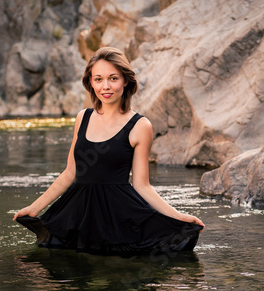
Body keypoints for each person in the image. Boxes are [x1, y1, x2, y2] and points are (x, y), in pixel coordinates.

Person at [13, 47, 204, 256]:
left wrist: (177, 216)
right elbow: (70, 173)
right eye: (98, 79)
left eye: (113, 78)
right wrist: (35, 208)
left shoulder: (140, 126)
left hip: (117, 217)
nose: (105, 86)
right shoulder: (82, 118)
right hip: (77, 213)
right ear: (91, 82)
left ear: (125, 81)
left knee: (116, 272)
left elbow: (142, 186)